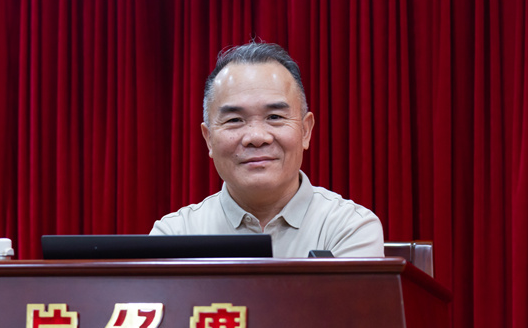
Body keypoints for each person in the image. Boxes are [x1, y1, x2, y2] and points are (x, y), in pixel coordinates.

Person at [150, 42, 384, 258]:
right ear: (209, 139)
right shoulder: (174, 233)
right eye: (234, 120)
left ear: (305, 131)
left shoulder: (349, 228)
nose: (256, 137)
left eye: (274, 117)